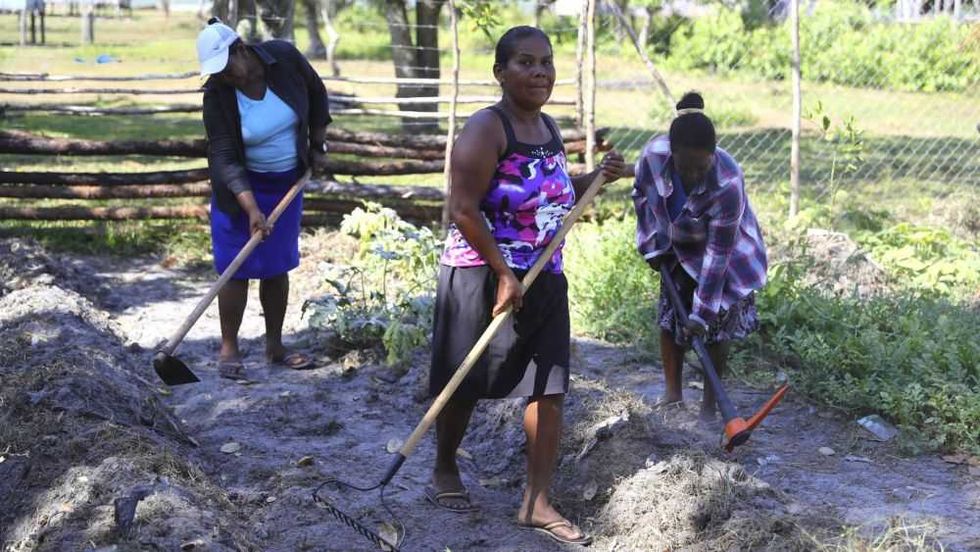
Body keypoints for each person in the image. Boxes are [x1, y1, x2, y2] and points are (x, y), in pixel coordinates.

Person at [428, 25, 626, 546]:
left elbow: (557, 198)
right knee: (465, 380)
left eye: (546, 62)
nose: (540, 72)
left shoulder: (550, 130)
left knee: (550, 387)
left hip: (544, 276)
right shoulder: (485, 130)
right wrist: (502, 274)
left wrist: (597, 177)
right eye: (525, 62)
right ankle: (445, 467)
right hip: (480, 273)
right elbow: (463, 210)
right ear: (500, 73)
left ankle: (536, 502)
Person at [197, 18, 331, 379]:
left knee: (276, 264)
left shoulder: (284, 60)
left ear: (240, 50)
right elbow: (223, 155)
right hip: (238, 188)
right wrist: (252, 208)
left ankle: (275, 346)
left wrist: (317, 145)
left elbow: (317, 94)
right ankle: (230, 347)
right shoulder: (217, 95)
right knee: (234, 268)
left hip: (286, 182)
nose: (224, 77)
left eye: (226, 69)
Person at [632, 92, 768, 420]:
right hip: (677, 244)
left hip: (729, 254)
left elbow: (718, 255)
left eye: (701, 166)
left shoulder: (727, 181)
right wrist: (652, 245)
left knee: (717, 327)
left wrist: (702, 314)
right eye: (685, 167)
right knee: (670, 318)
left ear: (713, 154)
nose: (693, 175)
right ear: (672, 153)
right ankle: (673, 396)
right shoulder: (653, 157)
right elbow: (641, 196)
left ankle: (709, 409)